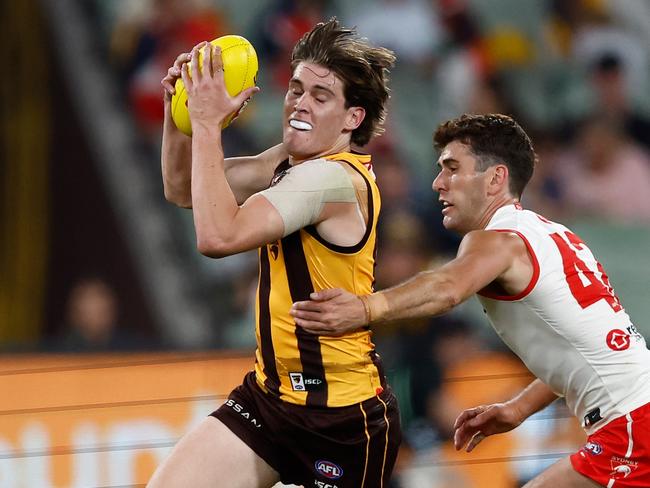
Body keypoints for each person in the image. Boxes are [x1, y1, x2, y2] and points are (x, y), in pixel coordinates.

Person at [291, 113, 650, 487]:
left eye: (452, 168)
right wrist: (517, 409)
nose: (438, 183)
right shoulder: (557, 236)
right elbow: (583, 349)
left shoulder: (494, 240)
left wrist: (365, 308)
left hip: (631, 426)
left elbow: (447, 287)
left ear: (495, 178)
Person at [151, 19, 401, 488]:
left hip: (341, 419)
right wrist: (179, 112)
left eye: (320, 97)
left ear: (353, 119)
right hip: (270, 397)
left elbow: (217, 237)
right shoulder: (286, 162)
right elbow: (184, 188)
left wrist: (207, 123)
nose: (300, 104)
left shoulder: (333, 181)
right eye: (296, 89)